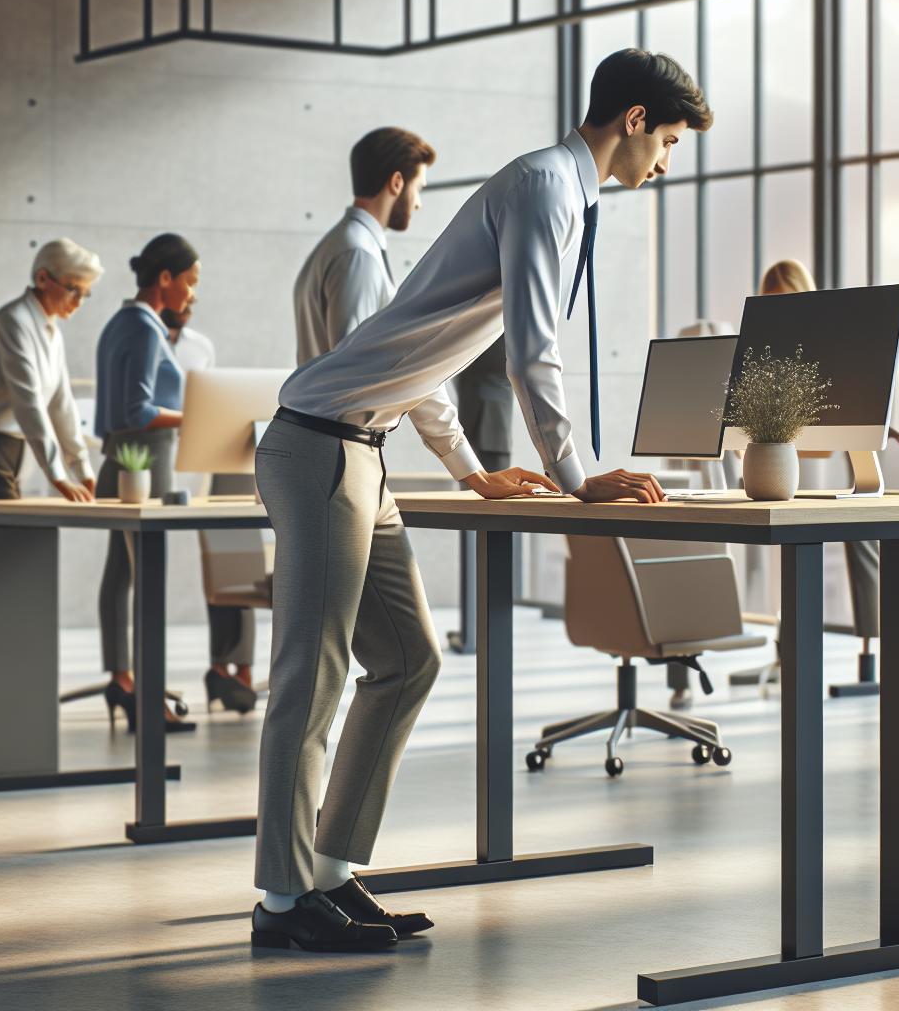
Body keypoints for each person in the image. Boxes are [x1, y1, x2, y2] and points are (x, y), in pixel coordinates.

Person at [248, 47, 710, 952]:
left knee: (411, 659)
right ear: (635, 121)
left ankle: (331, 875)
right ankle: (280, 901)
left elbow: (421, 351)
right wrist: (577, 477)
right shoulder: (546, 186)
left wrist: (468, 471)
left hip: (360, 450)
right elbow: (534, 347)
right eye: (671, 143)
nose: (667, 163)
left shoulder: (562, 192)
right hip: (318, 447)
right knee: (313, 678)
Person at [747, 258, 880, 700]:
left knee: (859, 559)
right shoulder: (766, 353)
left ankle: (870, 651)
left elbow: (829, 435)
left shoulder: (823, 346)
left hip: (828, 465)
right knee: (787, 556)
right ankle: (789, 651)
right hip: (782, 464)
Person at [92, 233, 201, 732]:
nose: (192, 294)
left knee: (122, 574)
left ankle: (125, 679)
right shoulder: (144, 329)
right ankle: (145, 692)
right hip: (144, 463)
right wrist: (195, 416)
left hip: (119, 458)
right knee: (145, 578)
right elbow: (137, 409)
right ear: (165, 279)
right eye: (190, 282)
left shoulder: (120, 324)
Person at [0, 239, 101, 521]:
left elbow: (61, 404)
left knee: (11, 555)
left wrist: (82, 467)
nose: (79, 302)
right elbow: (29, 403)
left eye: (86, 294)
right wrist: (57, 474)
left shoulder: (53, 331)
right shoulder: (13, 322)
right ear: (42, 278)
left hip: (12, 452)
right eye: (74, 289)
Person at [164, 302, 258, 715]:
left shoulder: (200, 346)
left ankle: (233, 669)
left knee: (235, 556)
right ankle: (131, 680)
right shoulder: (141, 339)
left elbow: (215, 405)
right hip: (153, 466)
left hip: (205, 460)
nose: (190, 301)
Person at [293, 127, 434, 366]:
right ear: (397, 182)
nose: (418, 204)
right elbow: (353, 369)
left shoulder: (340, 244)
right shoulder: (358, 253)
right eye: (418, 188)